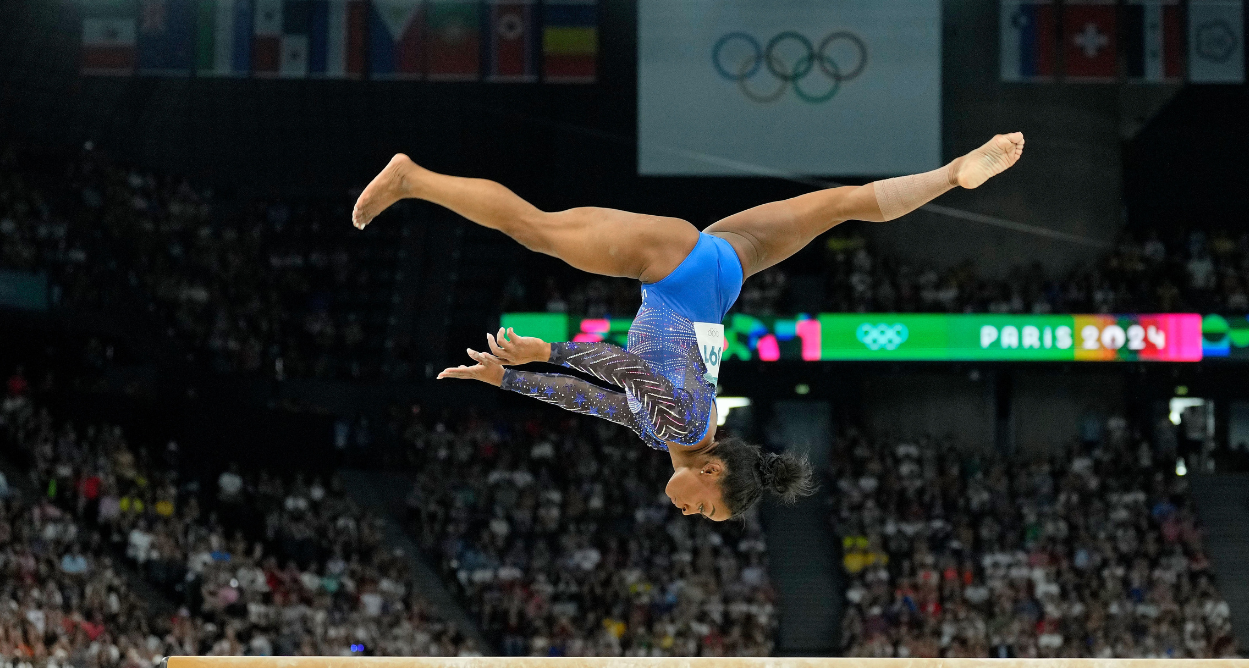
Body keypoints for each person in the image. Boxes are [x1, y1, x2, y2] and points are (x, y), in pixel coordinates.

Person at [352, 133, 1026, 521]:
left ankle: (950, 174)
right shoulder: (682, 428)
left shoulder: (672, 433)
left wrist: (509, 378)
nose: (692, 515)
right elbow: (628, 369)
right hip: (674, 270)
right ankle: (414, 178)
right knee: (535, 230)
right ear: (709, 472)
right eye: (707, 509)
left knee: (840, 206)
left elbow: (594, 401)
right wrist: (544, 350)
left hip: (722, 272)